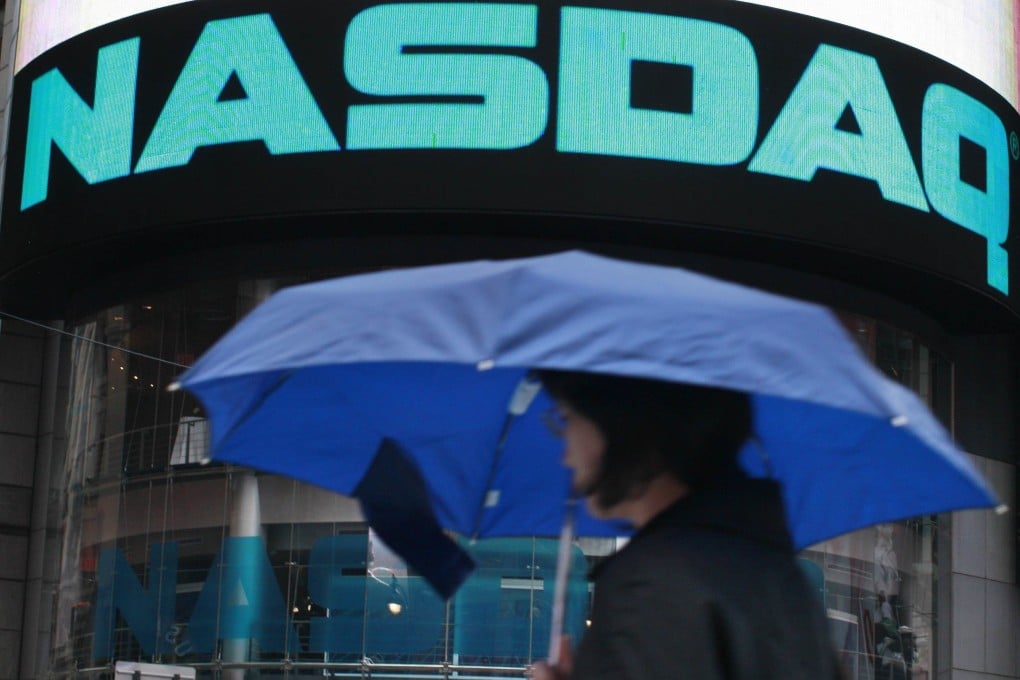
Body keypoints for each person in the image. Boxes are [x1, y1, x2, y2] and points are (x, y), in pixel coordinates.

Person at [532, 370, 842, 680]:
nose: (565, 456)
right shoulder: (782, 576)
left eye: (567, 418)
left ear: (623, 424)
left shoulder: (653, 582)